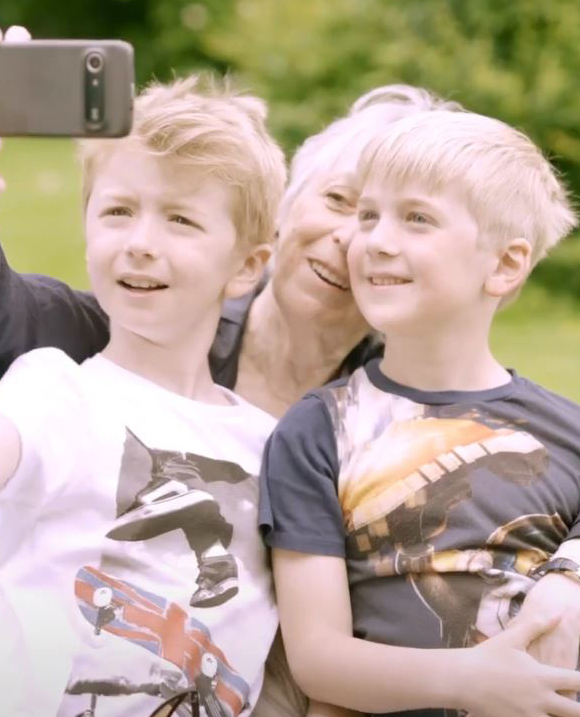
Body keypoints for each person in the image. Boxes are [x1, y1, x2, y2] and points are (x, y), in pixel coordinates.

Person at [0, 25, 580, 716]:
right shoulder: (90, 361)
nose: (361, 239)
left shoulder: (369, 430)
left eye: (407, 220)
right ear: (277, 226)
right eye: (346, 203)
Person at [0, 44, 293, 716]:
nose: (140, 241)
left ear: (248, 265)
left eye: (180, 218)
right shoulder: (58, 390)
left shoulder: (272, 445)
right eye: (118, 210)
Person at [259, 107, 580, 717]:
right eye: (368, 215)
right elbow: (319, 658)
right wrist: (471, 681)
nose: (375, 240)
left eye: (417, 219)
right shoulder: (316, 431)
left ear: (505, 264)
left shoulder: (568, 432)